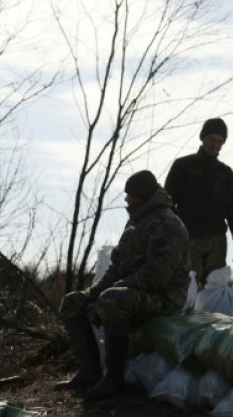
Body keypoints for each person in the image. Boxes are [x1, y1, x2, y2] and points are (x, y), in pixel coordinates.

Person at [55, 170, 191, 400]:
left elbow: (155, 277)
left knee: (112, 299)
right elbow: (116, 266)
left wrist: (109, 294)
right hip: (132, 291)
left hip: (166, 298)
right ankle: (88, 373)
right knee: (73, 301)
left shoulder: (168, 224)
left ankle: (114, 377)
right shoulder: (135, 222)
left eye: (130, 194)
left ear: (143, 196)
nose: (126, 199)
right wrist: (94, 293)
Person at [164, 118, 233, 288]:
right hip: (188, 237)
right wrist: (172, 232)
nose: (215, 144)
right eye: (211, 139)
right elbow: (167, 203)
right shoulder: (183, 166)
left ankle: (213, 315)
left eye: (220, 141)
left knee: (215, 288)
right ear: (203, 138)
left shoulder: (226, 173)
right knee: (187, 286)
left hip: (216, 240)